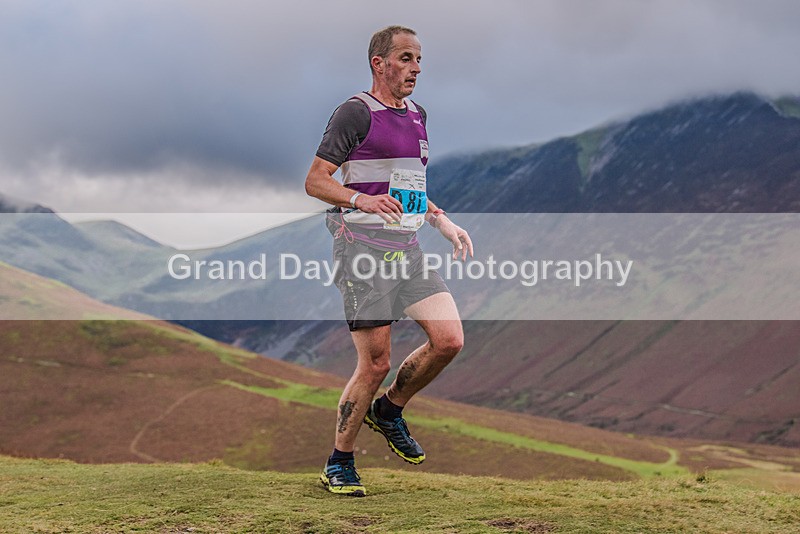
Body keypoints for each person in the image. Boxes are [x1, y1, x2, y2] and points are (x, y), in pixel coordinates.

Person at [305, 25, 473, 497]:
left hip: (408, 251)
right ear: (379, 63)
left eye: (419, 59)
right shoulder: (354, 113)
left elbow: (410, 187)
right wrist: (362, 200)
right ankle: (339, 461)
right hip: (361, 251)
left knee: (449, 340)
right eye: (405, 58)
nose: (415, 68)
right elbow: (316, 181)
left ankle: (390, 410)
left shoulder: (419, 115)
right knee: (375, 363)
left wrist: (442, 221)